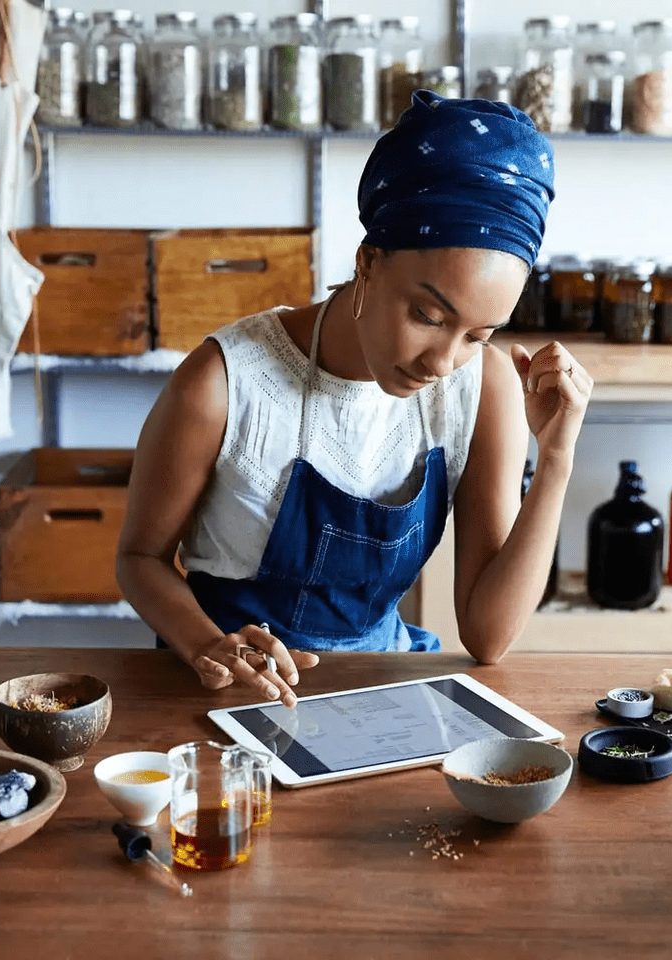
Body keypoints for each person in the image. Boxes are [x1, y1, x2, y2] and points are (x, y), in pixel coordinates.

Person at [116, 92, 591, 706]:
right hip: (225, 694)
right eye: (426, 314)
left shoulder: (485, 386)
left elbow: (488, 636)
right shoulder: (224, 382)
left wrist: (555, 460)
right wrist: (208, 645)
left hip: (378, 695)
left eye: (479, 335)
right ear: (367, 263)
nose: (442, 362)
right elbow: (139, 558)